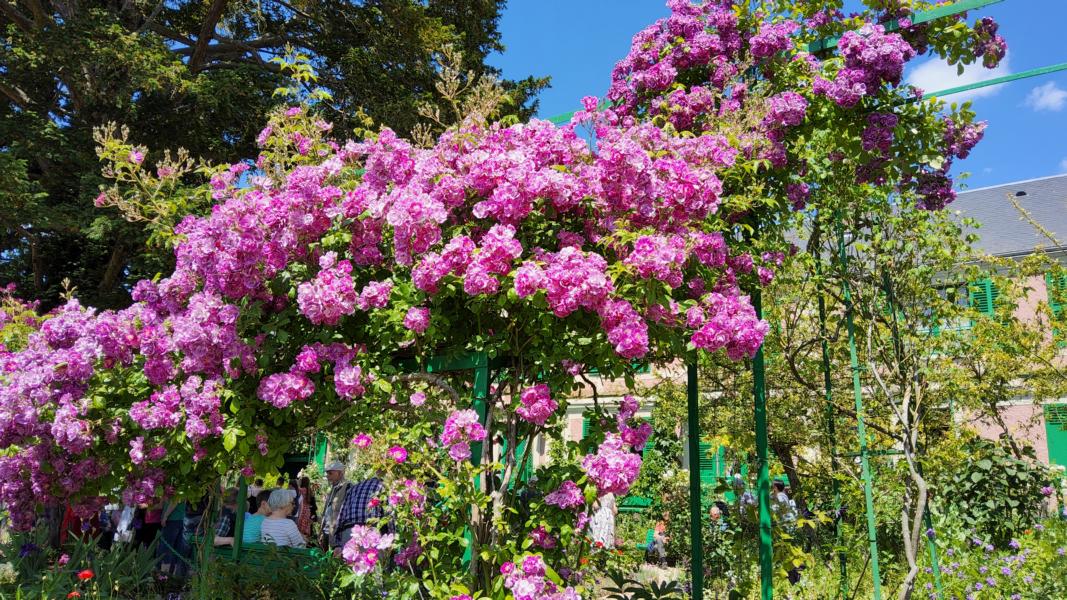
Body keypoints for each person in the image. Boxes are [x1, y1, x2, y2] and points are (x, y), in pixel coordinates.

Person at [319, 461, 354, 550]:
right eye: (327, 473)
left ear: (340, 473)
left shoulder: (348, 486)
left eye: (330, 473)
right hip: (327, 531)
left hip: (337, 533)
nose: (327, 476)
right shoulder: (333, 488)